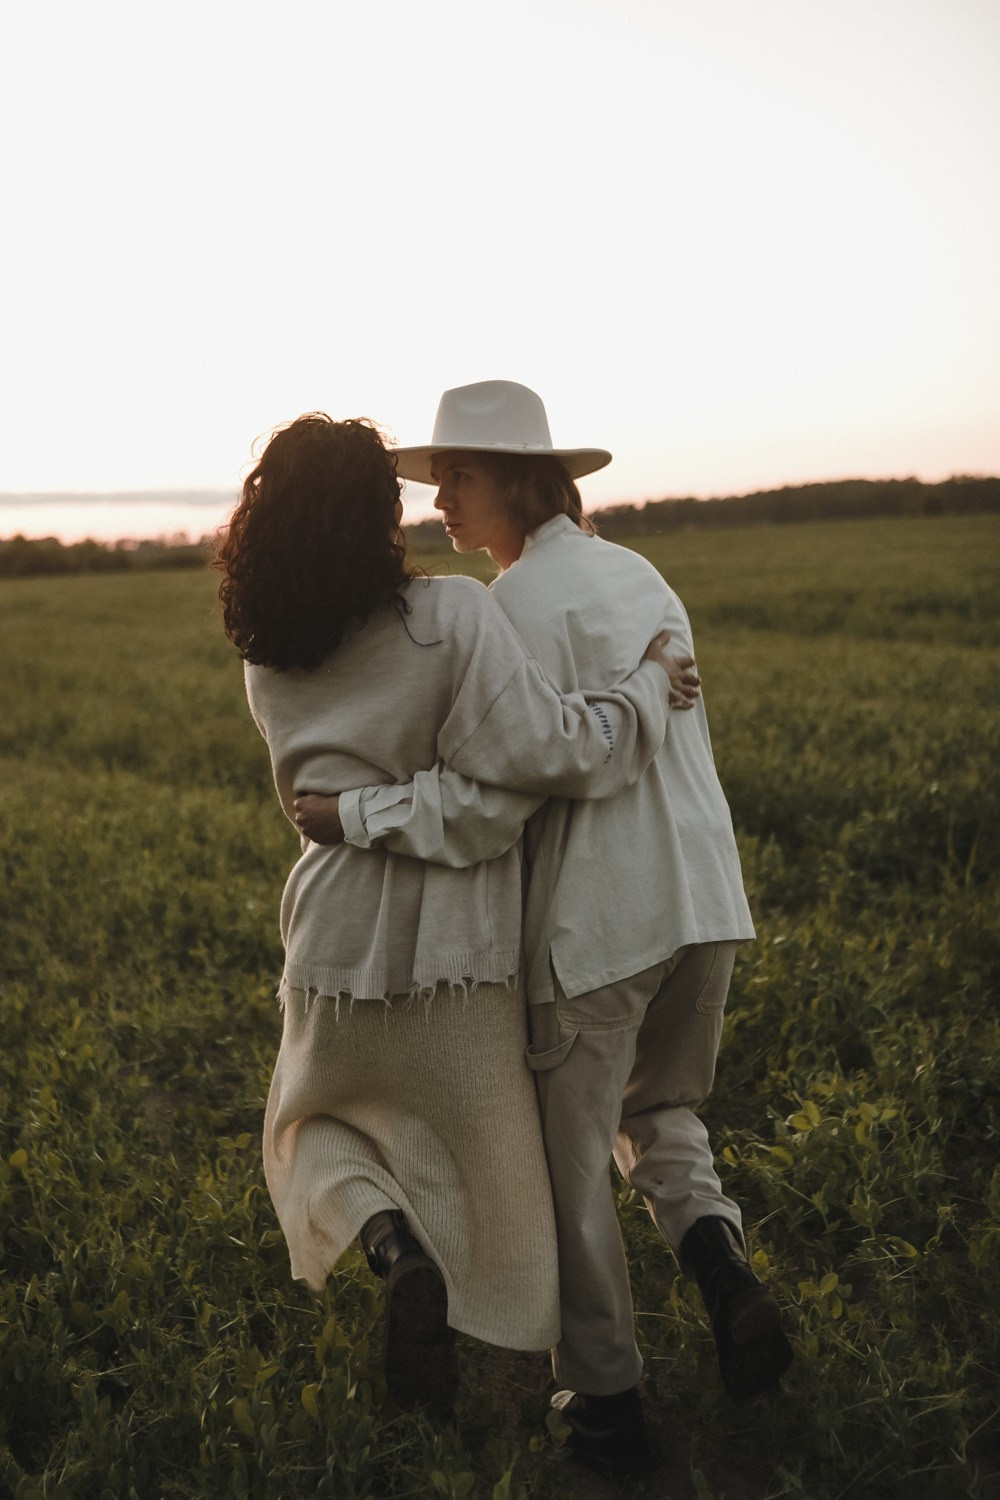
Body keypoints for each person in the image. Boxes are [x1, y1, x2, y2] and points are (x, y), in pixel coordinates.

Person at [294, 382, 793, 1478]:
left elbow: (491, 797)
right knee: (660, 1109)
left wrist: (355, 814)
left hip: (593, 926)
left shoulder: (505, 610)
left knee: (570, 1174)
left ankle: (606, 1410)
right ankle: (725, 1276)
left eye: (457, 480)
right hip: (703, 903)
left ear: (519, 479)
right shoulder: (641, 576)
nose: (440, 506)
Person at [214, 411, 701, 1421]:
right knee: (503, 1191)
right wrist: (649, 688)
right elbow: (545, 765)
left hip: (330, 946)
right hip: (455, 957)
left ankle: (391, 1247)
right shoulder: (452, 616)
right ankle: (537, 1396)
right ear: (373, 518)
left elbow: (306, 800)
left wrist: (355, 810)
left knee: (314, 1127)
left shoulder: (267, 657)